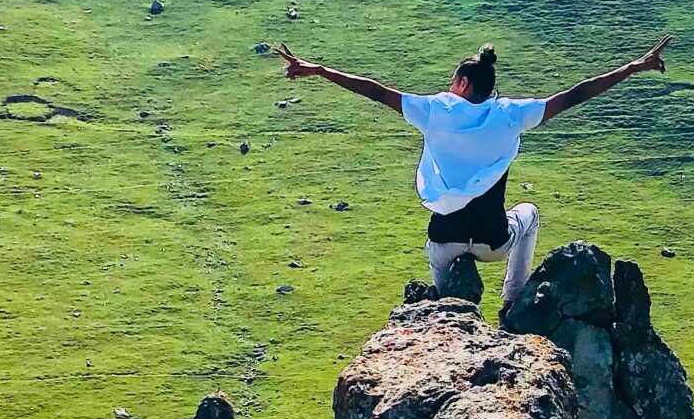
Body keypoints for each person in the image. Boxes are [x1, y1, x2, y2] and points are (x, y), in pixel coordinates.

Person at [279, 34, 672, 304]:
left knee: (443, 296)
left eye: (452, 81)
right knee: (529, 214)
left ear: (463, 83)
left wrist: (319, 71)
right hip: (494, 243)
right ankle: (513, 301)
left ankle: (444, 311)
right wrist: (632, 67)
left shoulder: (435, 110)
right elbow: (575, 95)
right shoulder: (510, 114)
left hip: (444, 243)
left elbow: (375, 90)